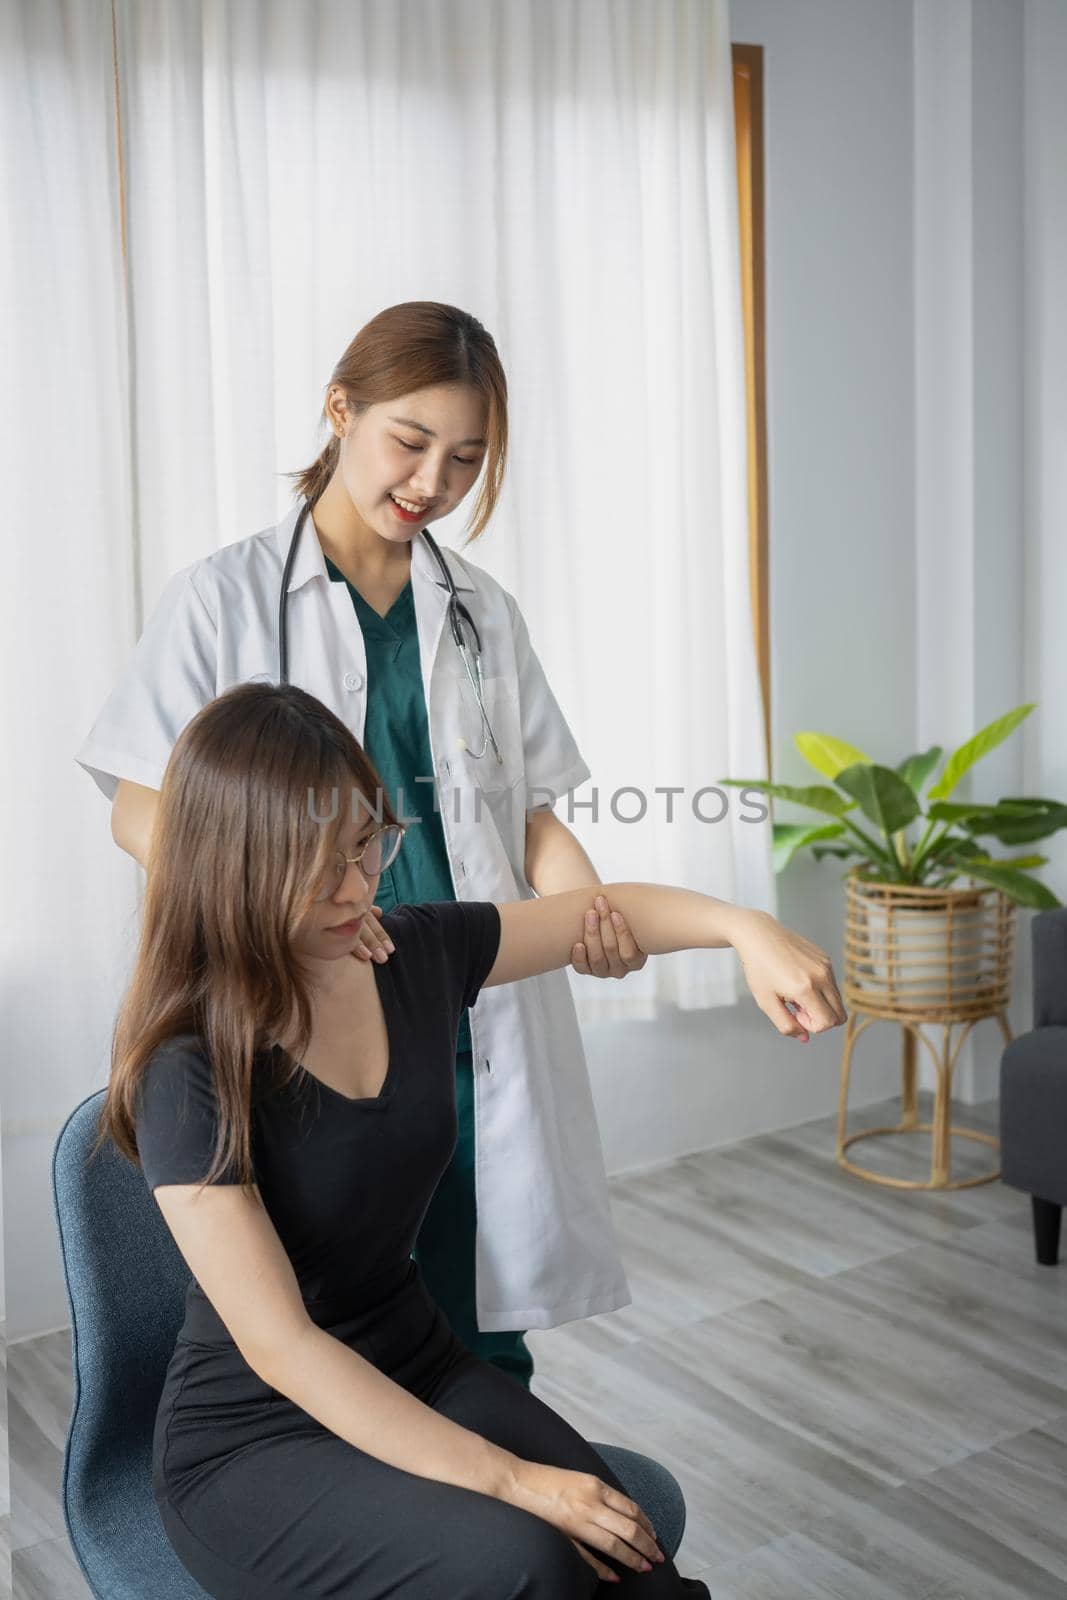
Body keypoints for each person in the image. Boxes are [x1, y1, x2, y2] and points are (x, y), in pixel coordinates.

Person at [99, 682, 846, 1599]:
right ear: (238, 864)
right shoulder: (192, 1067)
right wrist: (514, 1480)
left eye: (365, 848)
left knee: (634, 1564)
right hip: (258, 1437)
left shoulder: (409, 956)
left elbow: (595, 916)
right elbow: (282, 1347)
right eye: (316, 865)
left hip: (415, 1364)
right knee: (523, 1559)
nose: (355, 887)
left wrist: (744, 928)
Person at [77, 300, 663, 1398]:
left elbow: (525, 812)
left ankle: (495, 1516)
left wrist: (585, 908)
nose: (432, 480)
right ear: (338, 409)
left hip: (457, 992)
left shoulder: (479, 610)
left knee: (470, 1322)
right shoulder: (225, 596)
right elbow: (137, 808)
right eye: (408, 440)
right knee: (316, 1311)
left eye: (466, 458)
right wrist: (273, 911)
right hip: (302, 1000)